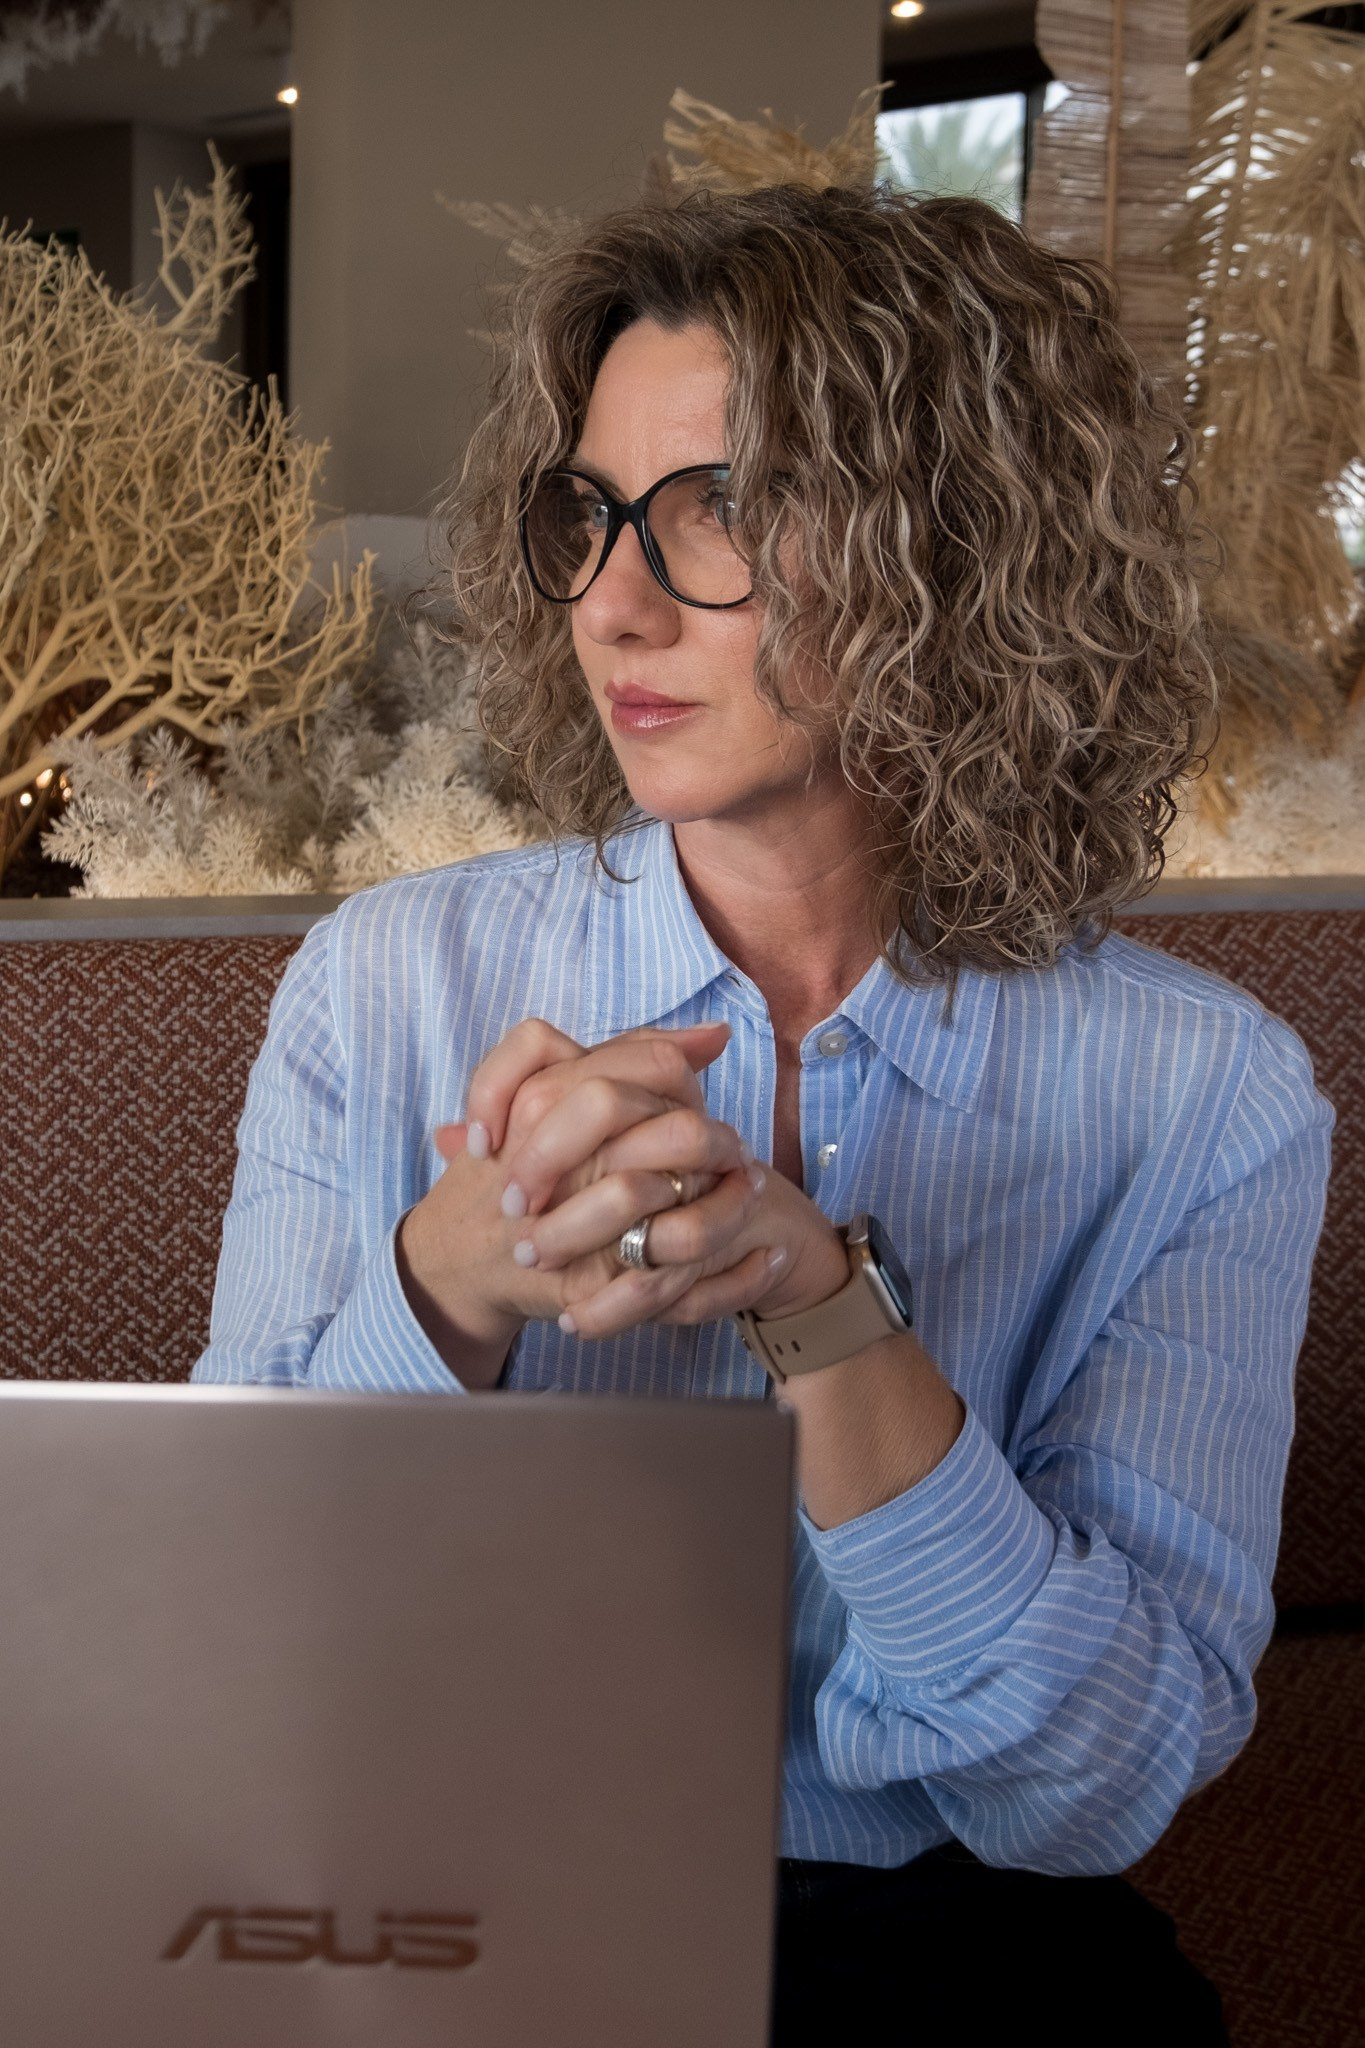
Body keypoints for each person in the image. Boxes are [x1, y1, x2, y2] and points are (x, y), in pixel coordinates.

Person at [194, 183, 1333, 2042]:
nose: (613, 601)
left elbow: (1090, 1793)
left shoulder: (1203, 1095)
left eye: (720, 509)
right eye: (589, 514)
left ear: (957, 546)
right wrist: (447, 1283)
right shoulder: (384, 983)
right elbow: (212, 1641)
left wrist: (825, 1315)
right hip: (447, 1896)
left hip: (939, 1938)